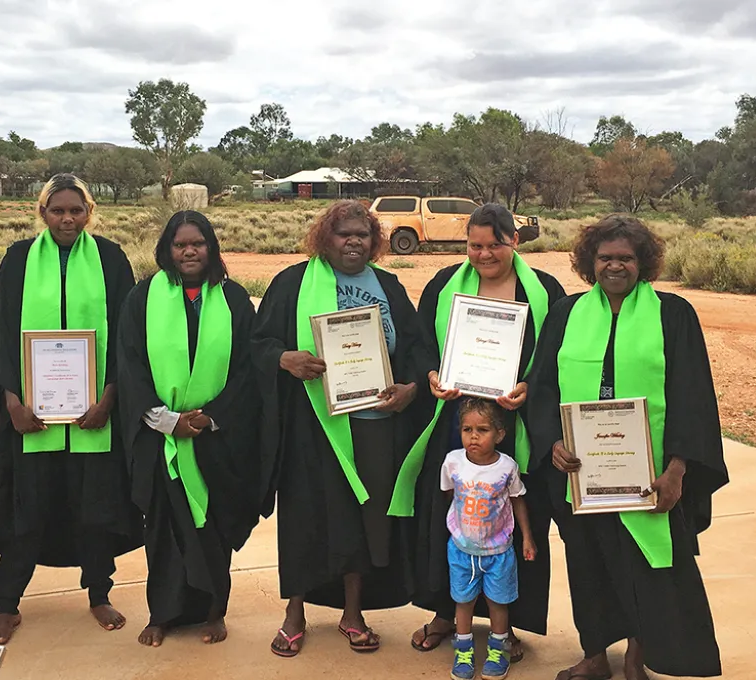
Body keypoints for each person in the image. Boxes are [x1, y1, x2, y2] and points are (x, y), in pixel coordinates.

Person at [525, 215, 729, 680]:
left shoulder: (673, 314)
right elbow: (543, 387)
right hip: (581, 472)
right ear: (588, 262)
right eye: (605, 258)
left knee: (641, 564)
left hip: (648, 470)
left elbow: (690, 394)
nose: (614, 266)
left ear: (644, 263)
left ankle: (639, 652)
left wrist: (678, 467)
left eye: (626, 258)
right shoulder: (567, 313)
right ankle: (595, 654)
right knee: (587, 560)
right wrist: (552, 441)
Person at [253, 199, 428, 657]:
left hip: (374, 423)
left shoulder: (388, 286)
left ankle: (353, 613)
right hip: (313, 423)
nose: (353, 241)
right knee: (304, 516)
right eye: (343, 233)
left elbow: (413, 347)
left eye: (363, 234)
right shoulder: (291, 283)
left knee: (363, 516)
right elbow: (257, 345)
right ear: (324, 238)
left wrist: (410, 387)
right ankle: (294, 614)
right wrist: (283, 359)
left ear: (375, 243)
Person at [0, 174, 144, 645]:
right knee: (26, 511)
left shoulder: (111, 259)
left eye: (76, 210)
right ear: (43, 213)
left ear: (89, 212)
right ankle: (8, 605)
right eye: (58, 211)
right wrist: (11, 399)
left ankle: (98, 593)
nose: (68, 219)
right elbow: (6, 334)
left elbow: (124, 336)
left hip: (94, 415)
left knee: (94, 510)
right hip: (30, 418)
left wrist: (110, 398)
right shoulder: (17, 260)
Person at [402, 203, 567, 661]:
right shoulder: (443, 285)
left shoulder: (545, 291)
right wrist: (432, 374)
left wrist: (531, 388)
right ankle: (442, 611)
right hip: (455, 424)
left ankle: (505, 622)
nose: (484, 253)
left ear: (515, 241)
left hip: (514, 427)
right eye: (475, 245)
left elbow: (557, 353)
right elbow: (420, 344)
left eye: (495, 244)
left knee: (510, 520)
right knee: (447, 516)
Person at [116, 211, 273, 647]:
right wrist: (167, 420)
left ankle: (212, 610)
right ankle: (161, 615)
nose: (189, 251)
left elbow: (247, 368)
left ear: (211, 248)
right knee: (163, 531)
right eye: (180, 244)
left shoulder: (234, 299)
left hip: (216, 437)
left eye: (197, 243)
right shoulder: (141, 298)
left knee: (213, 529)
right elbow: (130, 365)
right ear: (167, 249)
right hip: (160, 436)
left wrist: (210, 415)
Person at [442, 398, 537, 680]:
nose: (473, 436)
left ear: (500, 434)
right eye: (467, 429)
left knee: (498, 603)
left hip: (499, 551)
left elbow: (518, 500)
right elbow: (450, 495)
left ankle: (498, 649)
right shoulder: (453, 462)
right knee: (463, 601)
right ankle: (463, 651)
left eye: (482, 429)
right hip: (461, 550)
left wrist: (527, 538)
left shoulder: (507, 468)